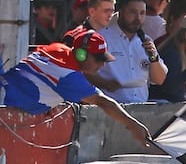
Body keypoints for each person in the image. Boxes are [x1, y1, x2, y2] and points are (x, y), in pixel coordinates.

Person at [0, 28, 150, 146]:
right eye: (98, 59)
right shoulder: (68, 77)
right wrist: (133, 125)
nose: (102, 65)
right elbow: (103, 102)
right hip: (4, 106)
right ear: (81, 55)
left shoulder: (57, 49)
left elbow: (44, 77)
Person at [88, 0, 168, 103]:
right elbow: (85, 72)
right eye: (133, 12)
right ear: (120, 12)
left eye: (142, 13)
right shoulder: (101, 38)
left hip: (141, 108)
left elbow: (159, 80)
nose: (138, 18)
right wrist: (104, 83)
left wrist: (153, 58)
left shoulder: (146, 40)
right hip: (112, 109)